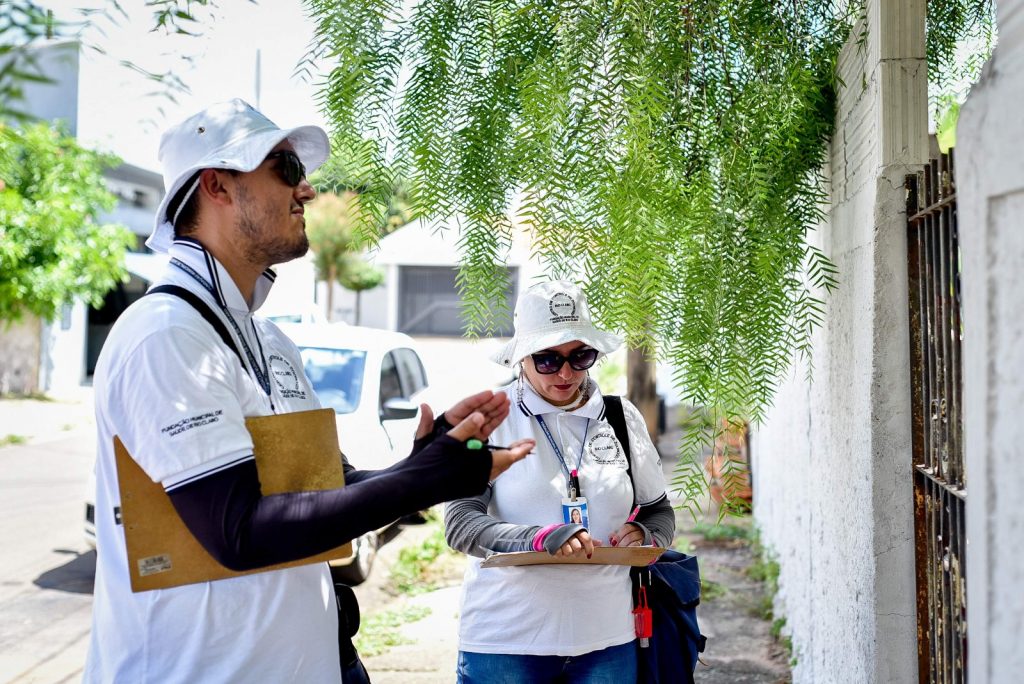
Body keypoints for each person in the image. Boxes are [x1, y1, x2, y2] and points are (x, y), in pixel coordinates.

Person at [84, 99, 534, 683]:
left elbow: (325, 491)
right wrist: (424, 481)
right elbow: (238, 531)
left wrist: (424, 460)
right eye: (287, 170)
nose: (308, 192)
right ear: (216, 186)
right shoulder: (165, 335)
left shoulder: (271, 340)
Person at [445, 280, 676, 683]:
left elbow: (659, 512)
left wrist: (644, 532)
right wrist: (537, 538)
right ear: (521, 359)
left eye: (580, 356)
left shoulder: (622, 417)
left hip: (607, 641)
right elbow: (460, 525)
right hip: (505, 645)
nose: (566, 373)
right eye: (548, 360)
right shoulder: (489, 418)